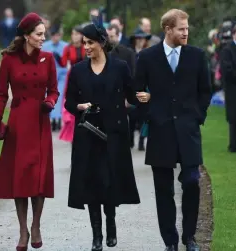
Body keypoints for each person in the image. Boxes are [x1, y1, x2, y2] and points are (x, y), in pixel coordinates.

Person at [134, 9, 212, 251]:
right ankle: (170, 241)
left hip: (188, 131)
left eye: (187, 28)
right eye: (181, 28)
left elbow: (205, 91)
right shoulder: (147, 57)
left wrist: (197, 117)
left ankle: (189, 238)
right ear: (168, 30)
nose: (186, 32)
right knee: (163, 190)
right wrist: (151, 115)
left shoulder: (197, 56)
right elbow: (137, 93)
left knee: (191, 182)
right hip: (161, 132)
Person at [64, 19, 140, 251]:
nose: (85, 47)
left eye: (90, 42)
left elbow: (133, 95)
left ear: (102, 42)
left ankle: (111, 224)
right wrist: (80, 107)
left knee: (110, 182)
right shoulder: (78, 70)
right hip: (88, 134)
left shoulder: (119, 67)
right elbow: (69, 102)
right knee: (92, 185)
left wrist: (141, 105)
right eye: (84, 42)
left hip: (113, 135)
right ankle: (96, 235)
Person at [0, 12, 59, 251]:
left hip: (40, 121)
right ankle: (22, 230)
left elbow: (54, 90)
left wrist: (50, 103)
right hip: (19, 122)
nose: (43, 38)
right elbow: (0, 94)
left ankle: (36, 225)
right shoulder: (9, 60)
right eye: (39, 34)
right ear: (27, 36)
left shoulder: (48, 58)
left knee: (38, 177)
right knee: (20, 176)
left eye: (44, 34)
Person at [56, 25, 86, 144]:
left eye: (77, 34)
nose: (74, 36)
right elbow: (63, 63)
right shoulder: (68, 48)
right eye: (73, 34)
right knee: (71, 102)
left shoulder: (86, 46)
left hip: (85, 75)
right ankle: (73, 131)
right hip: (72, 76)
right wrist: (57, 57)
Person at [220, 23, 236, 153]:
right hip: (233, 88)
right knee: (235, 118)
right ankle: (234, 145)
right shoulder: (227, 50)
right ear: (233, 35)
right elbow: (227, 71)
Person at [41, 25, 68, 131]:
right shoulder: (45, 46)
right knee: (48, 97)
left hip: (62, 75)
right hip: (48, 76)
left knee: (59, 97)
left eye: (57, 35)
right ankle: (51, 119)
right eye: (53, 36)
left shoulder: (65, 46)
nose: (55, 38)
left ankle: (58, 119)